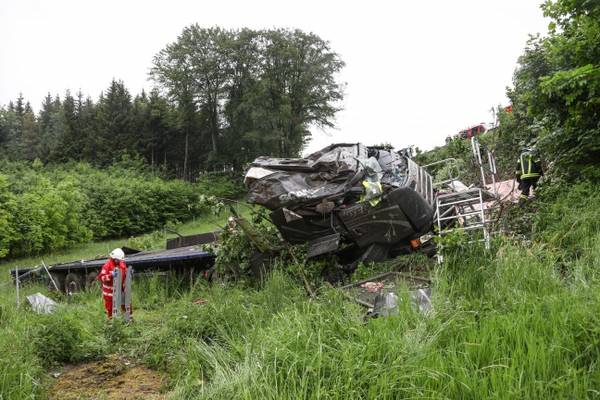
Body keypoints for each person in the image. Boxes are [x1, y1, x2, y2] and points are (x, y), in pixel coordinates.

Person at [97, 248, 128, 319]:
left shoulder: (121, 263)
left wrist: (128, 272)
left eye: (120, 260)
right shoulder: (107, 266)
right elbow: (102, 278)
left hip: (120, 289)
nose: (120, 261)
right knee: (110, 308)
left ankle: (127, 318)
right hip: (109, 292)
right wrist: (111, 275)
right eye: (119, 260)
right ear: (114, 258)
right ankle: (111, 322)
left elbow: (124, 270)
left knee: (125, 303)